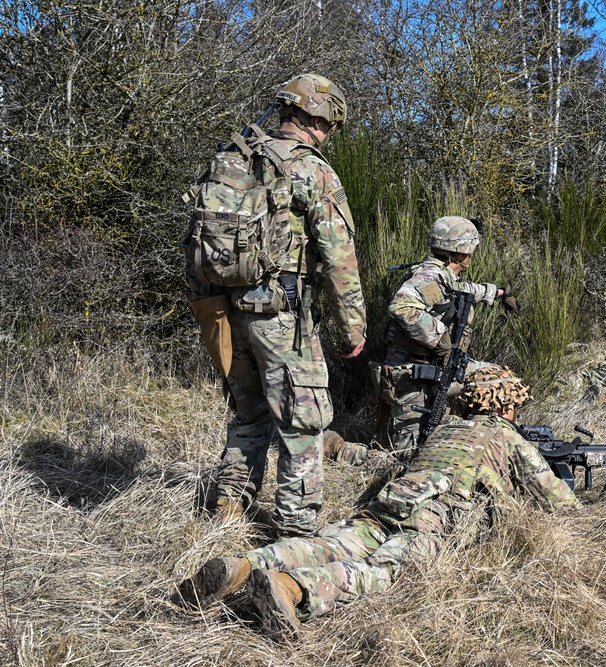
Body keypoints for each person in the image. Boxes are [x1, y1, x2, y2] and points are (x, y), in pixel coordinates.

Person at [179, 366, 577, 640]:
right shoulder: (507, 438)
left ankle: (242, 565)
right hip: (436, 515)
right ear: (507, 407)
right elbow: (559, 502)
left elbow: (392, 461)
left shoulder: (444, 430)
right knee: (383, 570)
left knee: (329, 544)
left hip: (392, 502)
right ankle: (291, 588)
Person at [186, 73, 367, 537]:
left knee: (249, 414)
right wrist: (353, 328)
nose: (328, 134)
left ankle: (228, 509)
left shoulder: (232, 157)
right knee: (303, 424)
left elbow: (196, 238)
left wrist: (209, 309)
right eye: (329, 125)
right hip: (279, 315)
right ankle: (294, 532)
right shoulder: (311, 169)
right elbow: (339, 257)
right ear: (316, 117)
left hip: (225, 309)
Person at [371, 216, 518, 453]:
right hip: (412, 378)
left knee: (503, 381)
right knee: (406, 456)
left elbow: (465, 289)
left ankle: (491, 449)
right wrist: (440, 338)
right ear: (462, 252)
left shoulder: (443, 276)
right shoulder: (430, 276)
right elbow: (401, 307)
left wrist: (498, 293)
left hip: (435, 371)